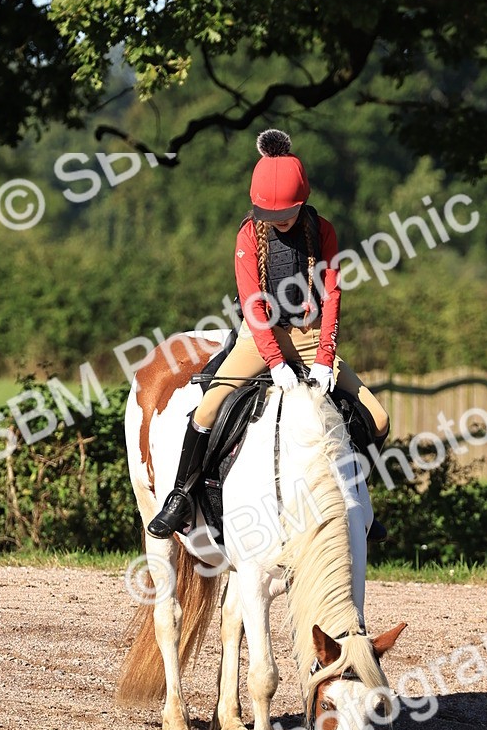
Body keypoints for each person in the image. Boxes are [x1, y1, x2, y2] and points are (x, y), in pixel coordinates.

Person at [147, 128, 389, 539]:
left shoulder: (322, 230)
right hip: (261, 339)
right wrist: (276, 363)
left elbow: (331, 293)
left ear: (303, 201)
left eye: (286, 216)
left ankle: (357, 499)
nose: (278, 223)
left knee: (379, 419)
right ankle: (181, 497)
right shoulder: (247, 234)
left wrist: (326, 357)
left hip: (311, 336)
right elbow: (253, 306)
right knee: (207, 411)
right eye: (271, 217)